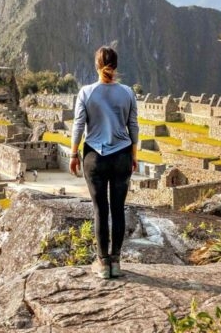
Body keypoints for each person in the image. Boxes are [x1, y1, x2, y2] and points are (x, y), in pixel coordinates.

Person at [69, 46, 138, 279]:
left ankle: (102, 263)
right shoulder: (128, 92)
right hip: (122, 156)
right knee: (118, 209)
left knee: (101, 210)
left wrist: (73, 154)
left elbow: (79, 125)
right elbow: (133, 126)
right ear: (115, 66)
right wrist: (134, 156)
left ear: (96, 65)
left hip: (95, 158)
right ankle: (116, 262)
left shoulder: (86, 92)